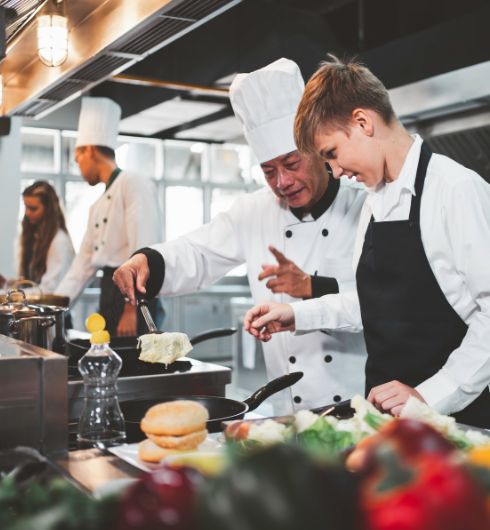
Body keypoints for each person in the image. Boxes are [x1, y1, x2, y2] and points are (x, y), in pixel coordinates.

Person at [244, 56, 490, 429]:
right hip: (384, 417)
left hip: (453, 420)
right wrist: (298, 315)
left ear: (363, 122)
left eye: (332, 154)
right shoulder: (375, 202)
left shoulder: (456, 189)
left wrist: (429, 395)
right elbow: (377, 305)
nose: (336, 171)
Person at [113, 58, 368, 416]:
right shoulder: (254, 210)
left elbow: (380, 302)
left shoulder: (364, 206)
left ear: (317, 147)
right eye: (268, 171)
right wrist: (146, 262)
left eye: (291, 164)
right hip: (287, 408)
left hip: (356, 404)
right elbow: (198, 252)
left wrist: (312, 286)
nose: (282, 182)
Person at [54, 97, 161, 337]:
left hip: (134, 296)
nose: (79, 169)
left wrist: (132, 308)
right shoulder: (98, 205)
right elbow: (82, 265)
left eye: (78, 160)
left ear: (89, 150)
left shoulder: (132, 182)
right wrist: (53, 308)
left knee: (133, 358)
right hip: (110, 292)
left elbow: (143, 246)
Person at [0, 180, 74, 295]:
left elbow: (48, 290)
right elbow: (32, 285)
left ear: (49, 209)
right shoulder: (36, 237)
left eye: (33, 208)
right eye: (26, 207)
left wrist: (0, 294)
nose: (27, 213)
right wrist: (6, 284)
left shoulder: (58, 241)